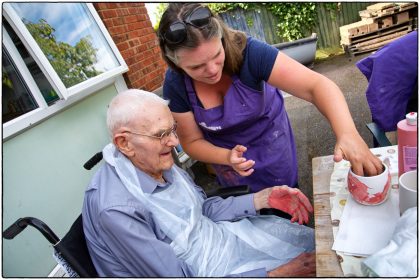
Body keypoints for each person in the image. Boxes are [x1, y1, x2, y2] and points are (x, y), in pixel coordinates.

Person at [82, 89, 316, 277]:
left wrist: (263, 198)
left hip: (211, 245)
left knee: (312, 247)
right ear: (124, 143)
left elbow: (201, 209)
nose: (175, 141)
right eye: (162, 134)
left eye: (173, 128)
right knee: (301, 266)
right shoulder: (117, 211)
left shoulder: (151, 159)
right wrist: (277, 274)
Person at [158, 3, 383, 194]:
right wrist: (227, 157)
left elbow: (317, 86)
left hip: (272, 145)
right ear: (176, 63)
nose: (212, 70)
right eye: (196, 67)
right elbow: (191, 142)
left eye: (217, 55)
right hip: (229, 165)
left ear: (222, 39)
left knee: (289, 202)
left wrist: (348, 134)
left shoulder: (251, 53)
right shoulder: (175, 84)